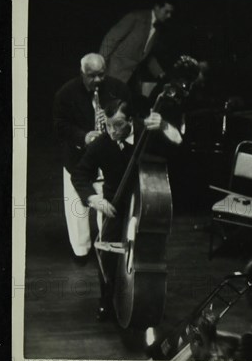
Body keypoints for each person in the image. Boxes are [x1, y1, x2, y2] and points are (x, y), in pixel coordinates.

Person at [71, 98, 182, 321]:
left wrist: (163, 125)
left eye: (118, 125)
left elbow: (178, 143)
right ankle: (106, 299)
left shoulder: (146, 133)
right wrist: (95, 200)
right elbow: (80, 174)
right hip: (114, 204)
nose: (112, 131)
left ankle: (143, 295)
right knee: (107, 253)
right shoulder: (102, 143)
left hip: (147, 202)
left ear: (131, 121)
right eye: (108, 125)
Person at [53, 53, 131, 264]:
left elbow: (128, 118)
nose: (97, 80)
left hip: (106, 156)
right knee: (77, 209)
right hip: (77, 157)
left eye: (101, 75)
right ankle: (81, 251)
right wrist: (84, 136)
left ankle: (105, 246)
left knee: (106, 203)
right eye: (91, 76)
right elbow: (60, 125)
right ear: (82, 74)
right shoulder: (66, 93)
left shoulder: (118, 88)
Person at [99, 0, 175, 98]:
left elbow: (146, 55)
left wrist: (160, 74)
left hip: (131, 78)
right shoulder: (136, 17)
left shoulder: (158, 28)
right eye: (166, 12)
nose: (169, 16)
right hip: (114, 72)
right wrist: (99, 65)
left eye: (171, 13)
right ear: (157, 7)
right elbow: (110, 39)